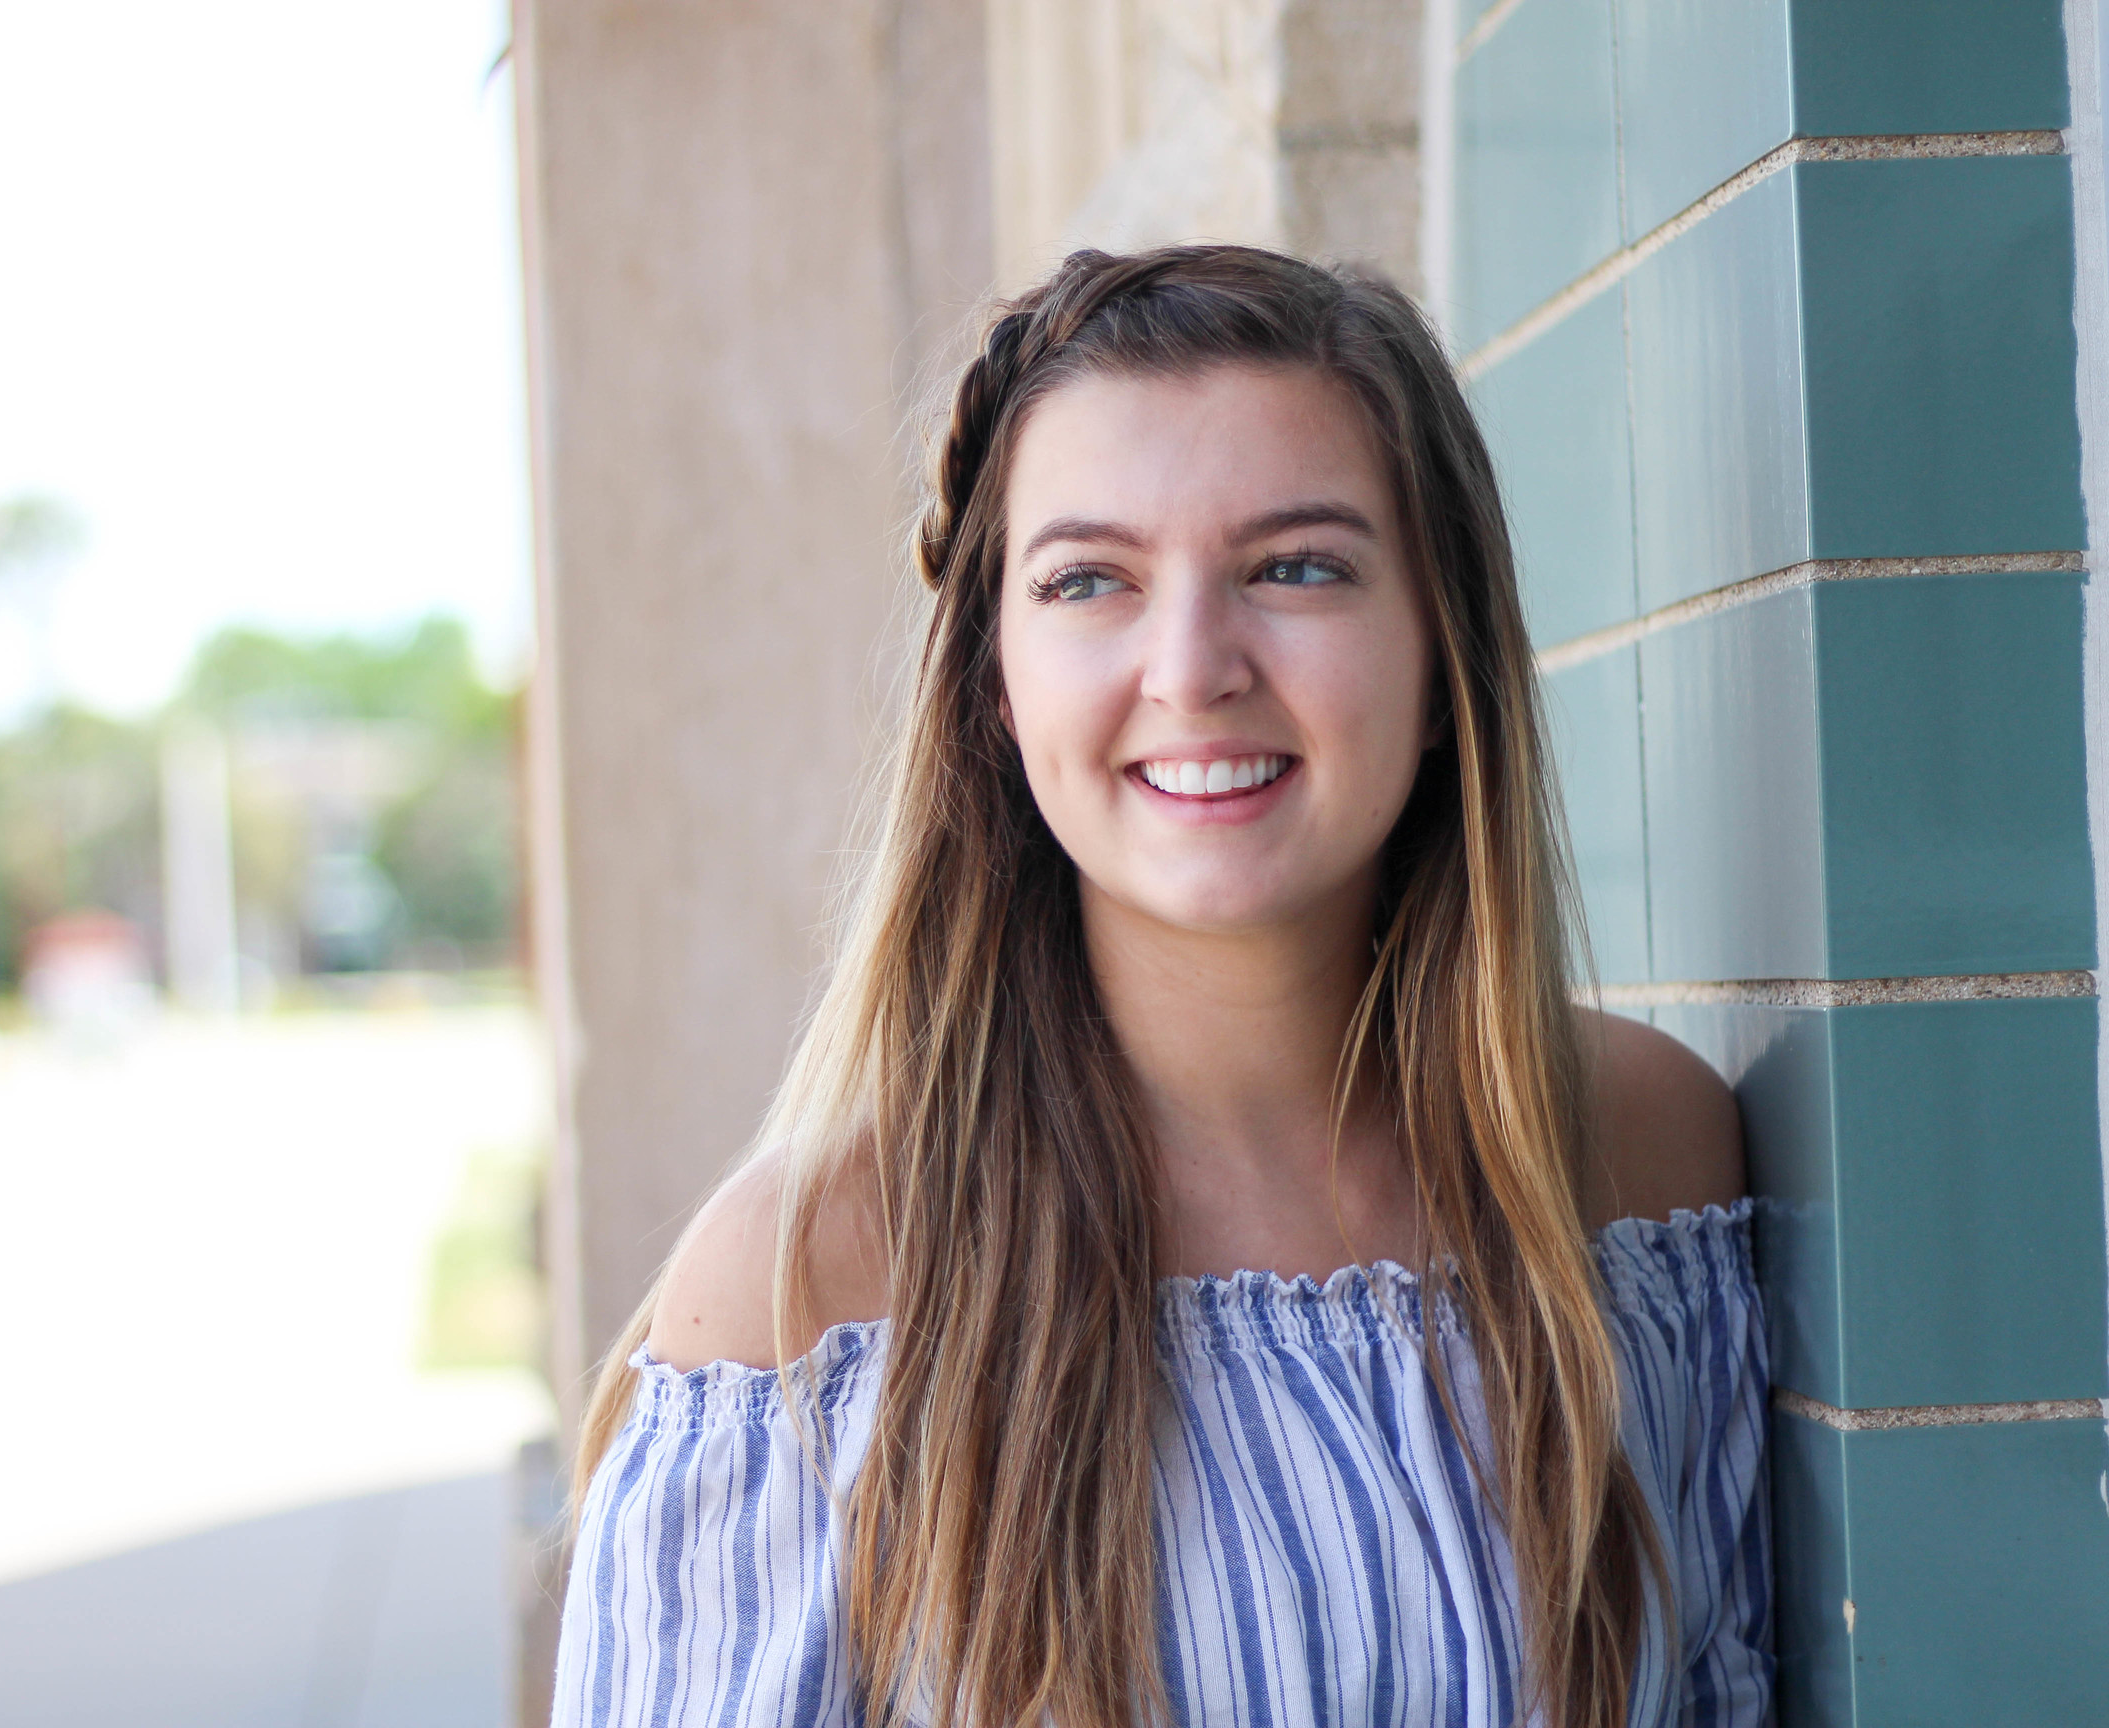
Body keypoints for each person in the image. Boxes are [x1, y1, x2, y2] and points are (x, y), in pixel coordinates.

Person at [551, 245, 1768, 1728]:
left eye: (1296, 566)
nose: (1192, 668)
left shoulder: (1644, 1166)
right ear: (997, 689)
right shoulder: (813, 1286)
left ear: (1445, 651)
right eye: (1090, 581)